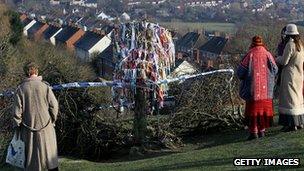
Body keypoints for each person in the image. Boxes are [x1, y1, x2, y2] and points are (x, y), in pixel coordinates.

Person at [12, 62, 59, 171]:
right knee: (50, 158)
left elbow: (16, 112)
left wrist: (17, 126)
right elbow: (54, 106)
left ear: (26, 73)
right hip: (46, 128)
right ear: (37, 72)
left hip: (28, 129)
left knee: (31, 161)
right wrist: (52, 120)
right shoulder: (45, 87)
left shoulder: (20, 89)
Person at [237, 36, 278, 140]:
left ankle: (253, 132)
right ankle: (262, 131)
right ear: (262, 43)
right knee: (263, 111)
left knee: (253, 111)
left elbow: (240, 72)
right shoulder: (268, 54)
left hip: (253, 90)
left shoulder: (250, 55)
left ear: (252, 43)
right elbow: (275, 69)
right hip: (266, 91)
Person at [276, 24, 304, 132]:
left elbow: (284, 61)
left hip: (290, 75)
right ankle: (299, 122)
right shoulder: (301, 45)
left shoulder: (290, 45)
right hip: (299, 75)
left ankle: (291, 124)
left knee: (289, 100)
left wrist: (276, 58)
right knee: (297, 99)